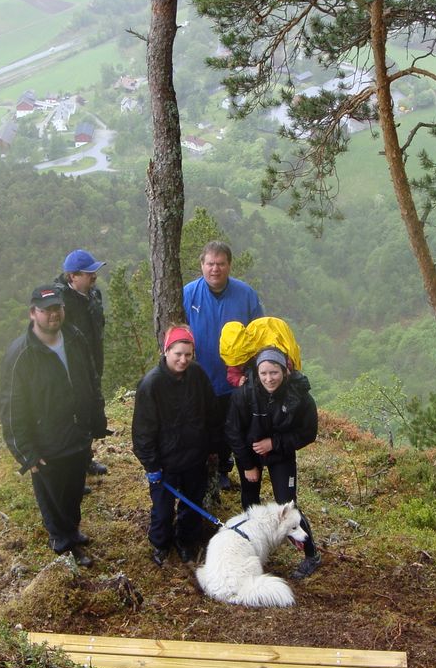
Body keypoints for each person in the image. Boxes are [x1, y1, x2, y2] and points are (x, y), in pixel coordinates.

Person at [0, 285, 108, 567]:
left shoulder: (74, 337)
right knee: (53, 496)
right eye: (46, 310)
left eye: (57, 308)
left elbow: (90, 378)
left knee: (73, 490)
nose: (53, 315)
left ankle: (71, 530)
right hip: (46, 440)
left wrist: (96, 417)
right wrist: (26, 453)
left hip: (77, 432)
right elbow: (11, 407)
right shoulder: (21, 354)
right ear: (32, 313)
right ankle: (63, 544)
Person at [225, 346, 322, 578]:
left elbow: (308, 432)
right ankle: (254, 548)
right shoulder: (245, 393)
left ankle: (311, 555)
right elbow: (233, 431)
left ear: (285, 370)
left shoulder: (299, 395)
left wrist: (275, 443)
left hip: (281, 454)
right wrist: (248, 464)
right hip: (250, 453)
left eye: (274, 372)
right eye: (264, 373)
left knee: (287, 505)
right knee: (250, 503)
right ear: (256, 372)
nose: (269, 378)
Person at [132, 325, 222, 566]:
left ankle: (186, 543)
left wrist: (213, 448)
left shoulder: (198, 376)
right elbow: (142, 431)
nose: (183, 360)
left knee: (191, 508)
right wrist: (152, 465)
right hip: (165, 463)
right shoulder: (151, 384)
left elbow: (211, 413)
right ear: (166, 351)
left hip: (195, 458)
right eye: (178, 354)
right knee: (162, 511)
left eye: (188, 355)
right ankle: (161, 544)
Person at [183, 240, 264, 489]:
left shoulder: (245, 294)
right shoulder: (188, 293)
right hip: (199, 375)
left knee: (233, 427)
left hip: (235, 378)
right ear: (201, 265)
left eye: (220, 264)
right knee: (204, 426)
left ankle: (224, 470)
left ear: (229, 265)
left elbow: (259, 331)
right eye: (210, 263)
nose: (214, 269)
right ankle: (205, 469)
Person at [54, 248, 108, 476]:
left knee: (89, 411)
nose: (94, 276)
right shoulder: (60, 302)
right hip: (70, 369)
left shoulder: (95, 295)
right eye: (88, 273)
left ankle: (86, 460)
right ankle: (71, 468)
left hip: (92, 363)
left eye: (94, 271)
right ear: (72, 276)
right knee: (71, 417)